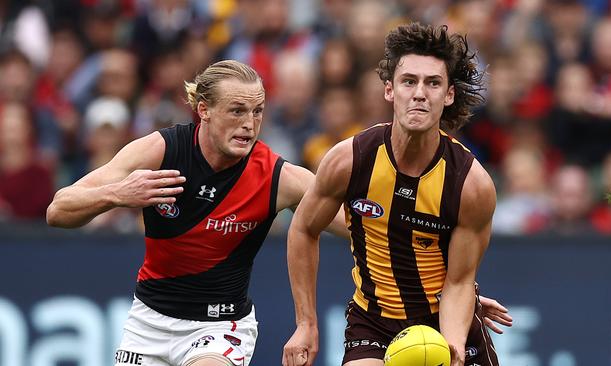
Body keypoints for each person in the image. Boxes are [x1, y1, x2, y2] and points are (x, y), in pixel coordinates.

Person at [47, 59, 509, 366]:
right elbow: (58, 209)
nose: (249, 124)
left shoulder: (279, 177)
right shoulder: (158, 151)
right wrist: (117, 194)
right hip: (147, 319)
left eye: (258, 112)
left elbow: (373, 233)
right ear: (202, 110)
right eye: (237, 111)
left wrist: (455, 285)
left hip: (220, 325)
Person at [283, 23, 506, 366]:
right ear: (389, 90)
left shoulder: (471, 184)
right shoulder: (350, 159)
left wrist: (452, 345)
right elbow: (303, 228)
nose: (420, 93)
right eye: (408, 81)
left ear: (448, 95)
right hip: (373, 323)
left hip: (442, 320)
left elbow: (460, 282)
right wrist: (305, 324)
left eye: (433, 83)